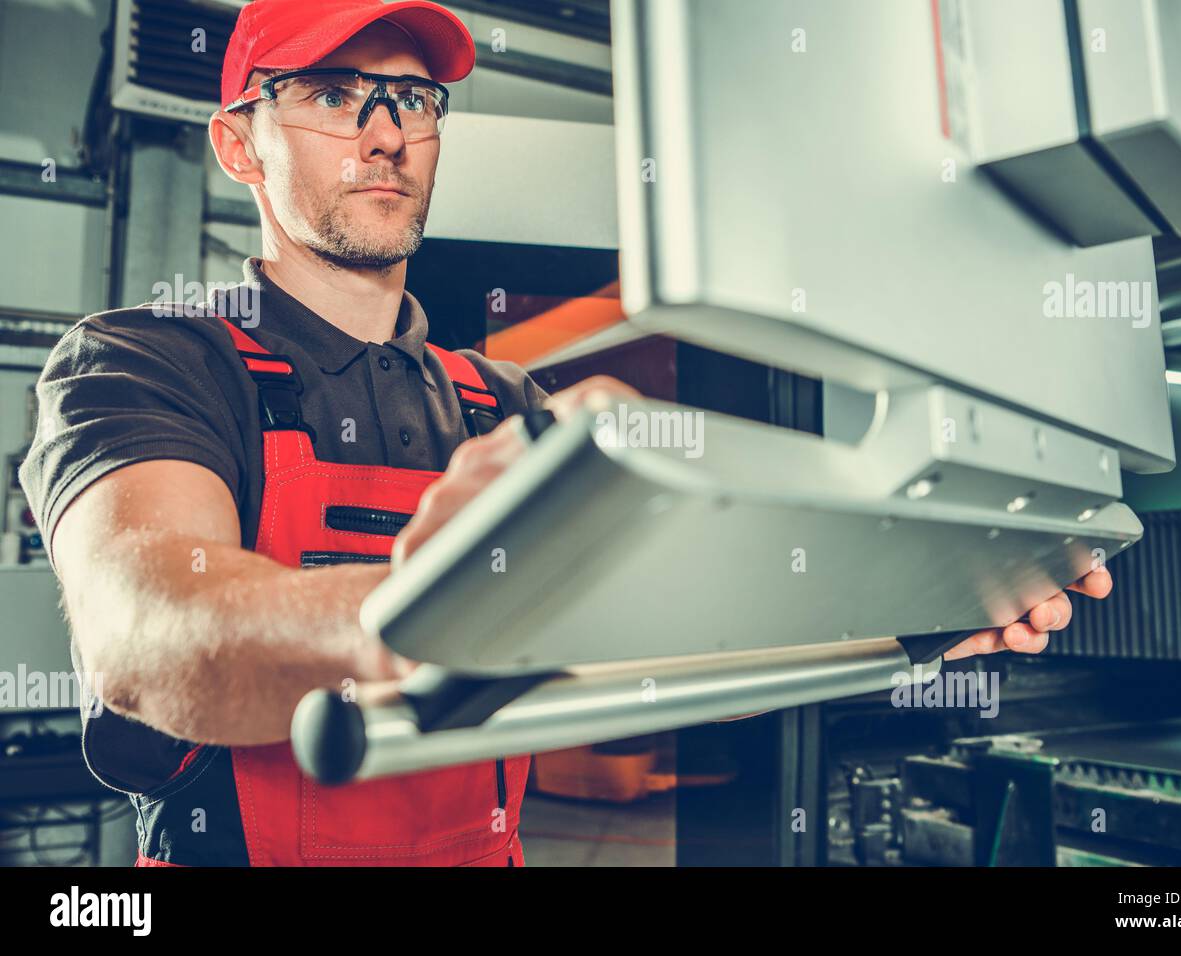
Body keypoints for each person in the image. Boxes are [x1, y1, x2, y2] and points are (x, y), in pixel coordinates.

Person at [18, 0, 1110, 867]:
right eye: (332, 93)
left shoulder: (499, 401)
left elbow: (660, 633)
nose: (387, 132)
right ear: (239, 145)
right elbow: (149, 641)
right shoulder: (149, 358)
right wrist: (452, 599)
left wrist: (918, 615)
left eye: (410, 96)